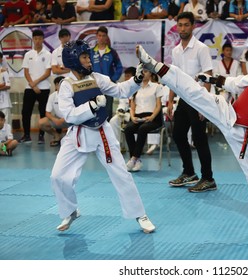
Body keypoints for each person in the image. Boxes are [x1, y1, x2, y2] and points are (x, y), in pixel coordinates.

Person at [137, 43, 248, 235]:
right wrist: (212, 79)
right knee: (196, 93)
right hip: (227, 114)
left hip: (244, 139)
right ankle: (154, 65)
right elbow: (233, 83)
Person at [51, 39, 155, 233]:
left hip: (101, 132)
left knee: (121, 174)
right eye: (84, 57)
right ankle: (70, 211)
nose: (89, 60)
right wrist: (91, 106)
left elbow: (120, 90)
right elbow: (68, 114)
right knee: (58, 176)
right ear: (74, 60)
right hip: (78, 133)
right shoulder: (66, 85)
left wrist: (137, 80)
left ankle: (140, 214)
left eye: (88, 56)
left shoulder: (97, 78)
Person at [167, 12, 216, 193]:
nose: (182, 28)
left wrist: (206, 103)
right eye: (180, 25)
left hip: (198, 100)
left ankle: (208, 178)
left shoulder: (201, 48)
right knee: (179, 135)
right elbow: (174, 77)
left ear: (193, 26)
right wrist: (170, 100)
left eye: (186, 25)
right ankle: (189, 172)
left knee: (199, 138)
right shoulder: (176, 50)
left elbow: (208, 75)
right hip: (183, 99)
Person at [124, 69, 164, 172]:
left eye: (145, 71)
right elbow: (132, 107)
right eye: (141, 72)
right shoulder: (135, 87)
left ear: (150, 73)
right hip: (138, 116)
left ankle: (134, 158)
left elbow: (158, 105)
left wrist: (152, 117)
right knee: (128, 129)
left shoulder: (157, 86)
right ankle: (137, 161)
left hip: (153, 118)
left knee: (143, 129)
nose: (143, 73)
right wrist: (132, 117)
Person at [20, 29, 52, 144]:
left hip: (44, 88)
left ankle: (41, 135)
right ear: (33, 39)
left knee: (43, 112)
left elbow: (48, 72)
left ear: (43, 39)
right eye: (36, 38)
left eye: (40, 38)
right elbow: (26, 72)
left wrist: (36, 83)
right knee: (25, 112)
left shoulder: (48, 54)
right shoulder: (28, 54)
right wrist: (33, 86)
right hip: (30, 88)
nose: (38, 41)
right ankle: (27, 135)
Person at [90, 26, 123, 121]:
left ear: (106, 37)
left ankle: (107, 134)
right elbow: (87, 67)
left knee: (107, 111)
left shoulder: (112, 52)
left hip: (108, 86)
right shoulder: (91, 52)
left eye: (103, 36)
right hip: (94, 86)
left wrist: (112, 80)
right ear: (96, 36)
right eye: (99, 35)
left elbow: (119, 67)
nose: (101, 38)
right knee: (94, 110)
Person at [109, 66, 136, 151]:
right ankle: (118, 145)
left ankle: (137, 147)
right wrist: (120, 110)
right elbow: (122, 103)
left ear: (133, 77)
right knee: (113, 121)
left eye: (128, 76)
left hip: (135, 113)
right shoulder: (123, 88)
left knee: (134, 122)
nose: (125, 78)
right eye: (125, 76)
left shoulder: (139, 87)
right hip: (125, 113)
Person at [38, 76, 69, 147]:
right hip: (58, 119)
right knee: (41, 123)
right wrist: (55, 120)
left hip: (69, 119)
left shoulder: (71, 95)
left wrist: (63, 119)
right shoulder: (52, 96)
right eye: (60, 84)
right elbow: (47, 113)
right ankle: (57, 136)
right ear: (56, 85)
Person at [0, 53, 11, 127]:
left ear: (1, 59)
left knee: (6, 122)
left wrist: (2, 86)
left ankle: (8, 138)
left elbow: (8, 85)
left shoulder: (4, 71)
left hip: (4, 101)